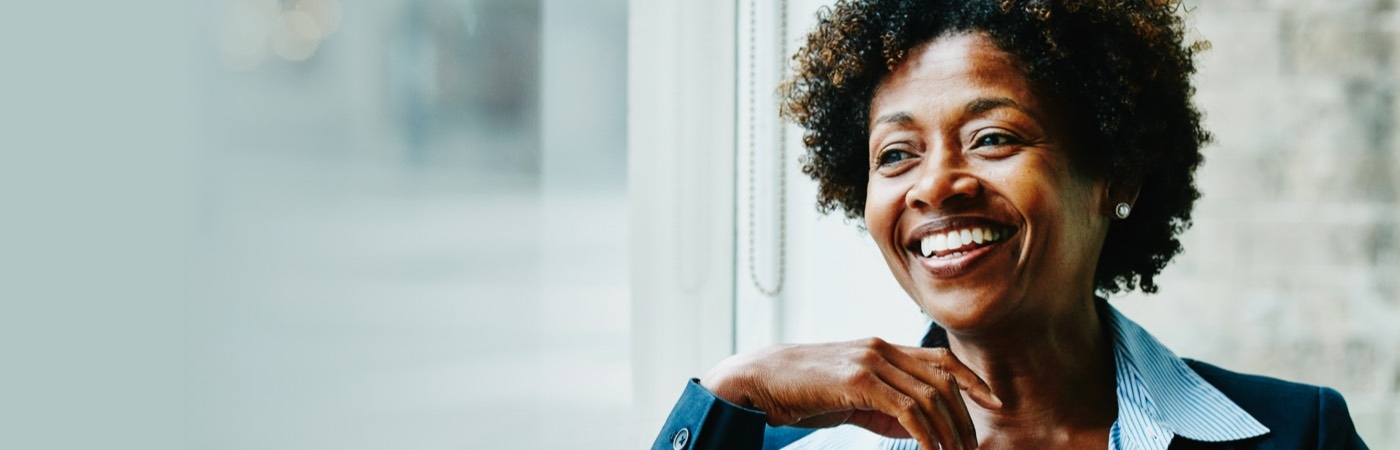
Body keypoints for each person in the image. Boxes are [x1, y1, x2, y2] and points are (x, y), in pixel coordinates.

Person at [651, 1, 1370, 449]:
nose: (934, 184)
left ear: (1114, 172)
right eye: (896, 154)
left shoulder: (1295, 434)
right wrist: (732, 390)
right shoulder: (784, 448)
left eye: (993, 139)